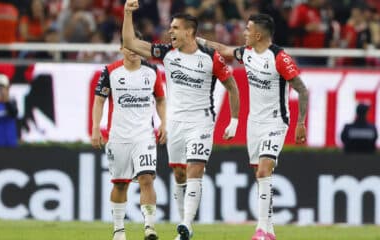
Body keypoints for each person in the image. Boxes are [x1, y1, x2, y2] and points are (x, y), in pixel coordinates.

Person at [122, 1, 240, 239]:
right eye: (170, 27)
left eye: (174, 28)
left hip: (202, 121)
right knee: (179, 174)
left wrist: (234, 120)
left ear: (189, 31)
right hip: (176, 122)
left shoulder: (211, 57)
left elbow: (232, 86)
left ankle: (185, 224)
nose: (170, 32)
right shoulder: (167, 53)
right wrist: (127, 13)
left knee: (196, 168)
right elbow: (130, 43)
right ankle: (185, 228)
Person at [197, 13, 308, 240]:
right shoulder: (247, 53)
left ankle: (260, 230)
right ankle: (270, 232)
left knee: (264, 169)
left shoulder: (279, 58)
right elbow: (224, 50)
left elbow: (302, 89)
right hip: (253, 123)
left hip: (276, 121)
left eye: (247, 29)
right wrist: (197, 41)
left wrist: (301, 123)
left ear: (258, 34)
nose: (244, 33)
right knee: (260, 175)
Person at [91, 31, 166, 240]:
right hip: (119, 136)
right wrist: (96, 128)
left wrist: (164, 124)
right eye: (128, 46)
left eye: (136, 46)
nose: (132, 51)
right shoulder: (110, 71)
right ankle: (118, 230)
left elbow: (160, 99)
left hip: (144, 135)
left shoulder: (152, 71)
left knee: (146, 178)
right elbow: (99, 100)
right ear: (121, 48)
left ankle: (150, 227)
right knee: (120, 184)